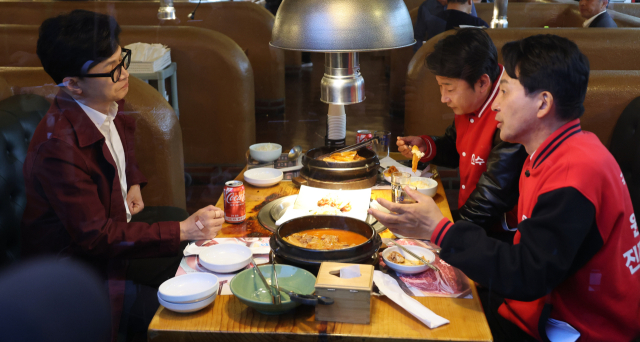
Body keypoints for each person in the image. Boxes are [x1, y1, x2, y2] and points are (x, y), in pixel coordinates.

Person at [371, 34, 640, 341]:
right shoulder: (555, 152)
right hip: (538, 304)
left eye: (505, 90)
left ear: (543, 103)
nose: (495, 103)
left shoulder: (574, 174)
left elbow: (527, 275)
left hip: (574, 328)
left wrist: (441, 231)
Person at [23, 10, 224, 341]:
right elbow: (97, 238)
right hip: (81, 274)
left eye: (122, 59)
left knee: (201, 255)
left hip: (115, 235)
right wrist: (182, 230)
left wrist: (132, 180)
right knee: (187, 316)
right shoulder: (58, 147)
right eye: (111, 69)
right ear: (72, 84)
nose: (124, 73)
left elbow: (122, 137)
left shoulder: (103, 99)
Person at [399, 28, 527, 233]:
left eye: (449, 89)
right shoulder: (473, 100)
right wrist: (427, 146)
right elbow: (456, 144)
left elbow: (495, 191)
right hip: (469, 218)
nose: (444, 98)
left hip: (497, 233)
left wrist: (449, 231)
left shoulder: (509, 113)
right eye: (441, 87)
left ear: (483, 82)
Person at [414, 0, 479, 51]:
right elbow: (418, 36)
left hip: (463, 51)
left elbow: (475, 28)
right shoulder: (426, 7)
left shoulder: (464, 3)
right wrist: (420, 56)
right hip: (435, 53)